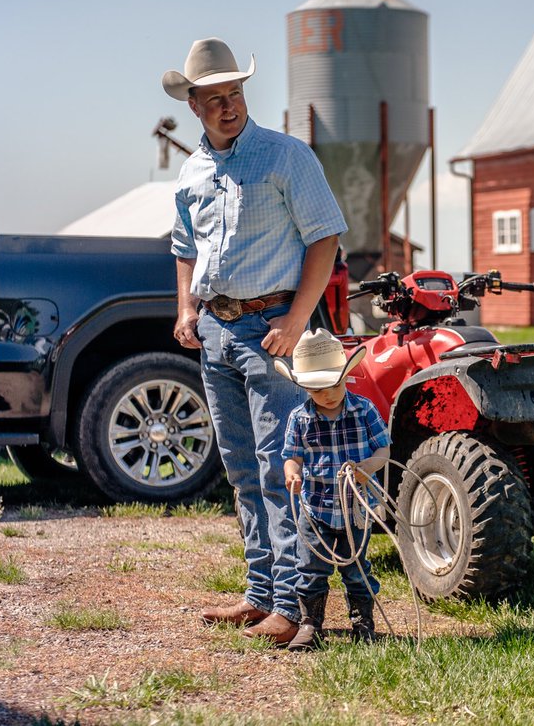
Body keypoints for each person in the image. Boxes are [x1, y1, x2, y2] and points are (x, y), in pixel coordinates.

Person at [163, 37, 347, 645]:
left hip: (271, 331)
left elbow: (325, 239)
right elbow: (185, 249)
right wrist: (186, 306)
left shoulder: (286, 156)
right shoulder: (191, 171)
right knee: (242, 468)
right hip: (216, 331)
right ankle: (260, 594)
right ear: (193, 104)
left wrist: (296, 320)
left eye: (235, 94)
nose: (228, 107)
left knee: (281, 466)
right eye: (214, 99)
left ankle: (295, 606)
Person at [276, 329, 390, 651]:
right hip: (315, 509)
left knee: (357, 568)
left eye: (335, 386)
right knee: (311, 568)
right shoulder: (299, 419)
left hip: (355, 508)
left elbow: (384, 451)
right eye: (318, 390)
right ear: (305, 388)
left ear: (346, 377)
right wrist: (292, 474)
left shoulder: (365, 410)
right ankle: (311, 624)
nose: (328, 395)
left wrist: (367, 468)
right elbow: (292, 457)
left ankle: (363, 623)